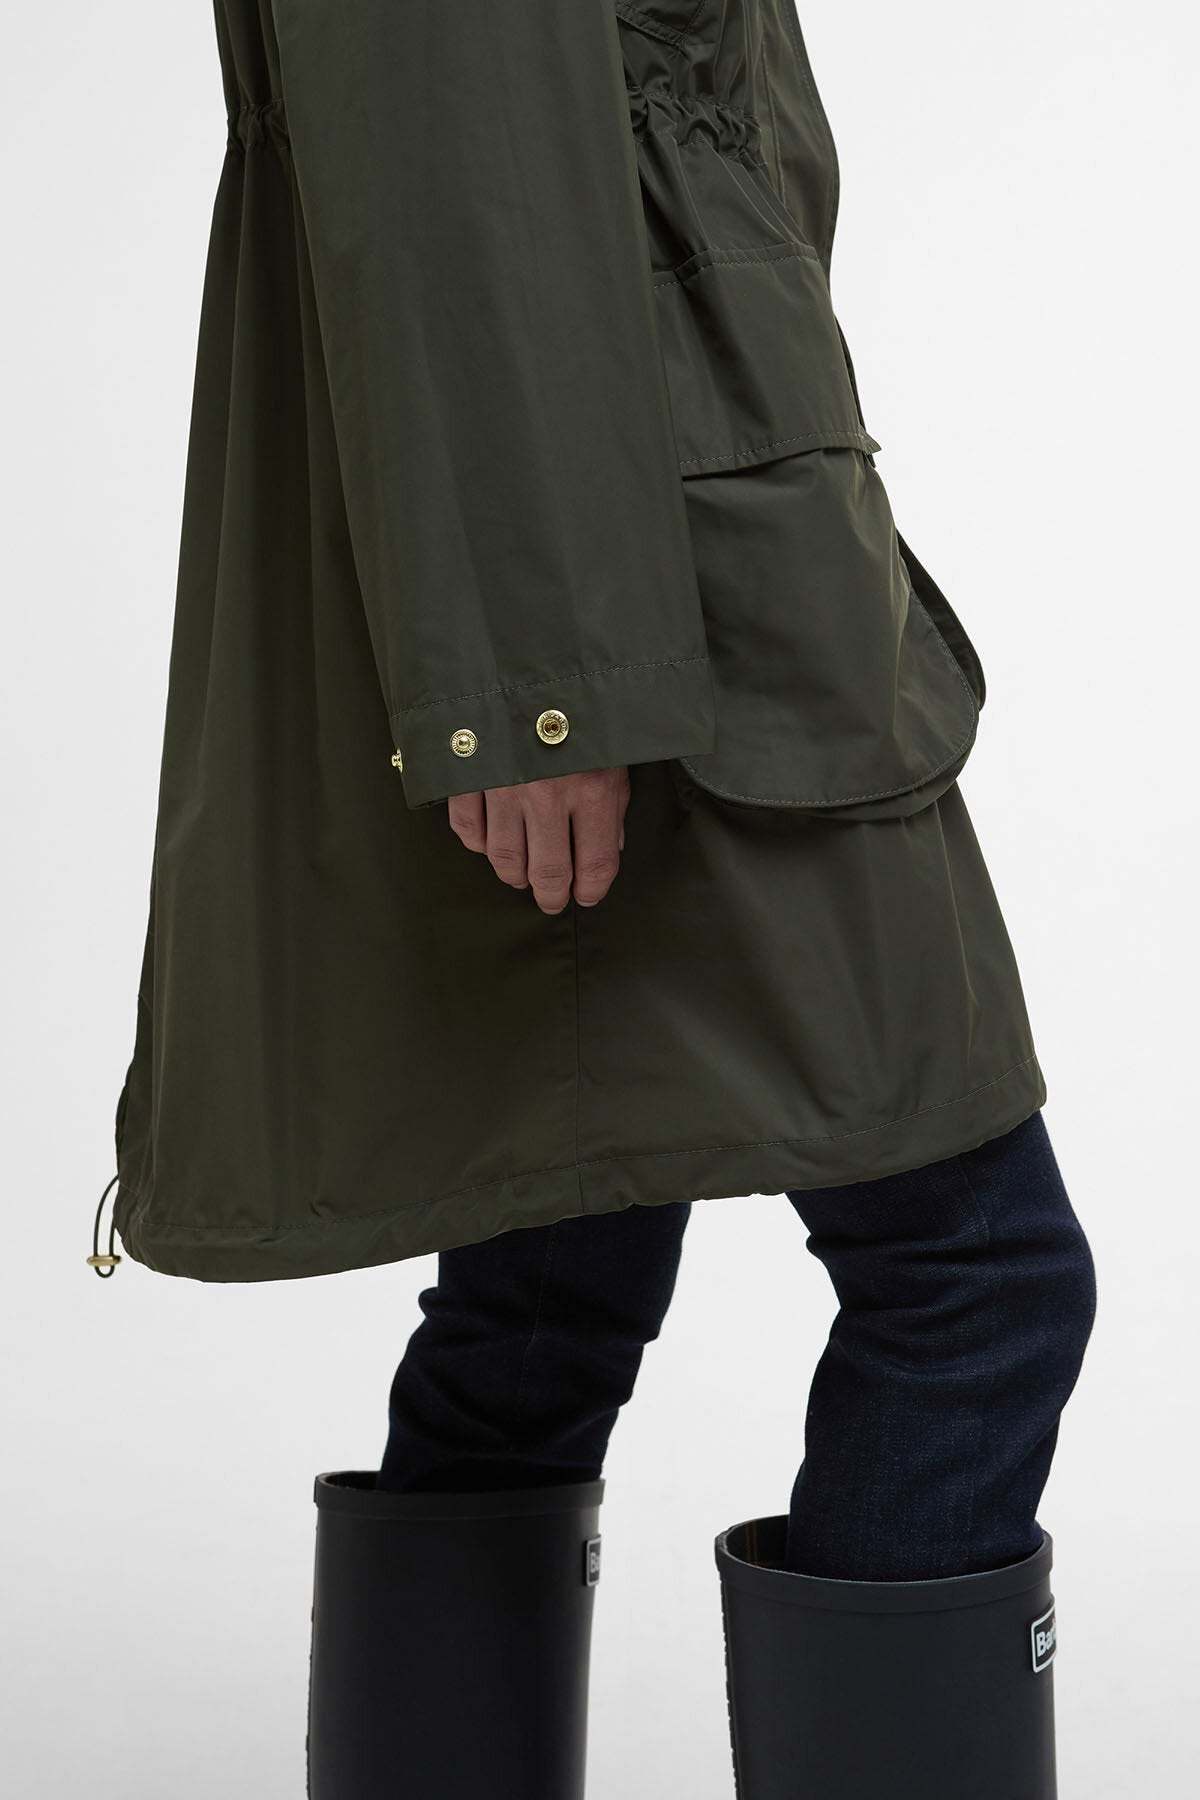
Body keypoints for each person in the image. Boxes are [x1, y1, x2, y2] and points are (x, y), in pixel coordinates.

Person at [101, 3, 1095, 1795]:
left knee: (550, 1276)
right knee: (977, 1276)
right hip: (651, 589)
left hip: (648, 525)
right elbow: (450, 128)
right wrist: (537, 681)